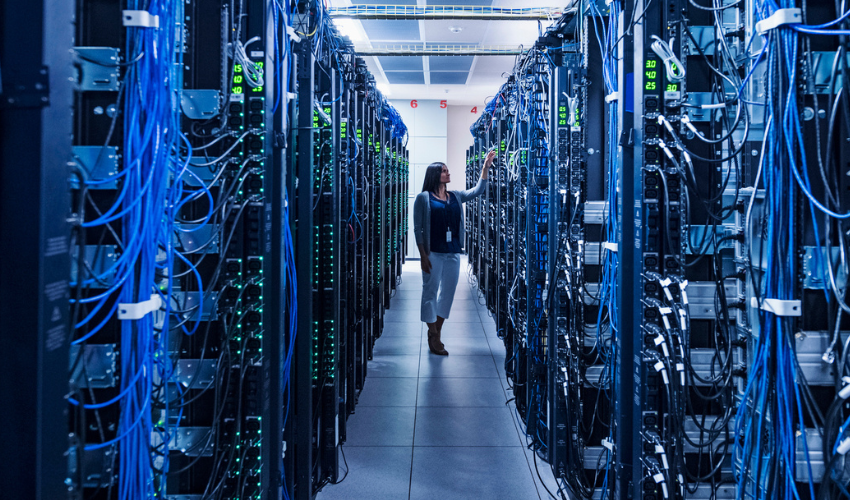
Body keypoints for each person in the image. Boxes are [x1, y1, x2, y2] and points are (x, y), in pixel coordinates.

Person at [413, 150, 496, 355]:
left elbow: (477, 191)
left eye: (447, 170)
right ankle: (434, 335)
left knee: (448, 294)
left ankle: (436, 331)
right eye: (444, 171)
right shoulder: (423, 198)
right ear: (435, 175)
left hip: (453, 252)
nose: (448, 173)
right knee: (430, 292)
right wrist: (423, 255)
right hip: (433, 253)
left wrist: (485, 168)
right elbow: (418, 229)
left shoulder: (455, 196)